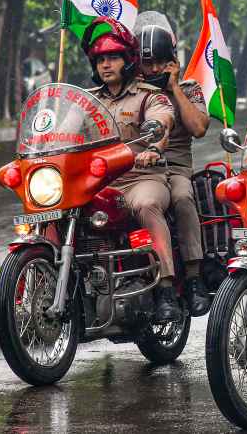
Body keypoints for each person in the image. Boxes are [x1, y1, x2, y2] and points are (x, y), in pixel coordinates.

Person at [81, 17, 183, 323]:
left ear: (128, 61)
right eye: (100, 59)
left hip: (142, 178)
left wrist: (152, 149)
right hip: (99, 183)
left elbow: (162, 120)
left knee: (147, 205)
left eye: (112, 58)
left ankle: (166, 288)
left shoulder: (148, 95)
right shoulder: (87, 101)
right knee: (57, 211)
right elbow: (65, 131)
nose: (106, 65)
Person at [137, 19, 212, 316]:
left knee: (182, 197)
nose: (154, 69)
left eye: (160, 62)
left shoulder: (189, 89)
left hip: (175, 167)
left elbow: (199, 128)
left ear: (173, 62)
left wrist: (174, 87)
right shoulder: (133, 92)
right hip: (138, 171)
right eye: (147, 63)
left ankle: (193, 278)